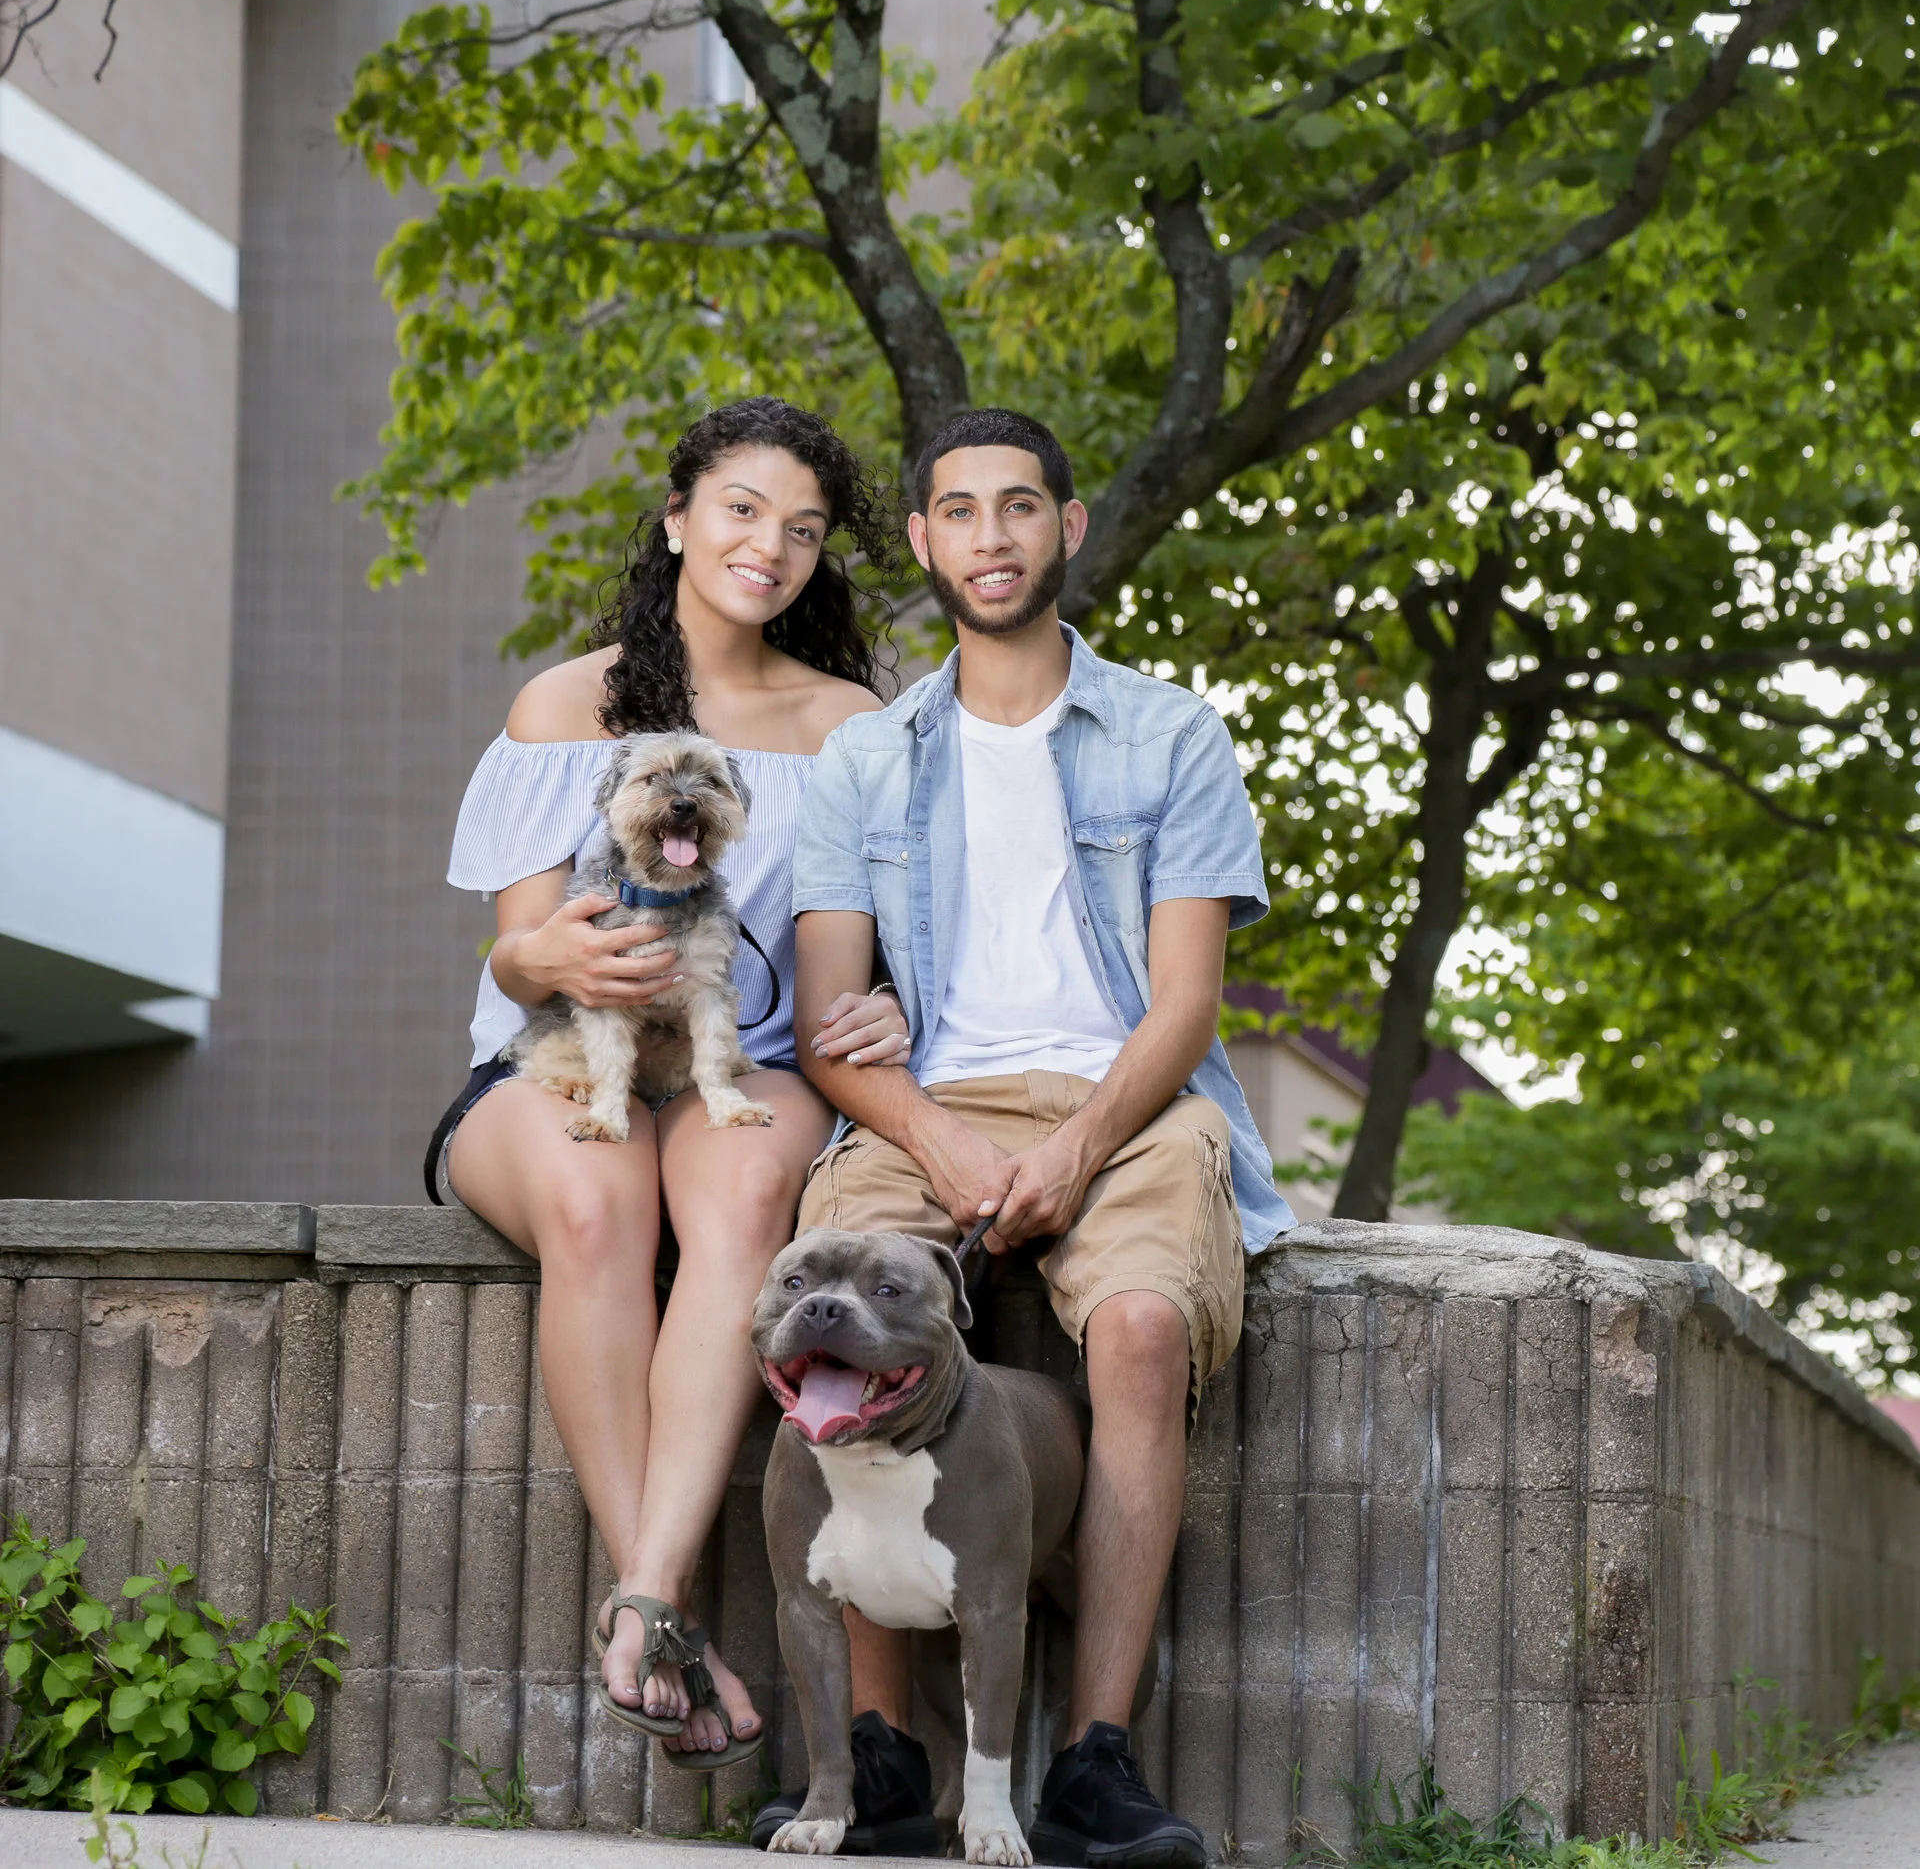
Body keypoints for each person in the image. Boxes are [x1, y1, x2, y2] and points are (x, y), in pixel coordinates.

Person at [777, 406, 1294, 1864]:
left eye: (1019, 506)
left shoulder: (1171, 734)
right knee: (837, 1320)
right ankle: (879, 1757)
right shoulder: (868, 758)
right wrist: (940, 1143)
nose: (989, 536)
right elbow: (828, 1023)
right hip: (922, 1104)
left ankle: (1093, 1762)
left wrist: (1071, 1154)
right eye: (958, 510)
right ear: (924, 540)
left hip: (1127, 1103)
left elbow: (1185, 1008)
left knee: (1138, 1329)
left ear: (1066, 526)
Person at [430, 397, 914, 1766]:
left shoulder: (849, 725)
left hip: (743, 1059)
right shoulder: (566, 705)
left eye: (805, 529)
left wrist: (884, 1007)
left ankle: (642, 1601)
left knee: (748, 1194)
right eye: (744, 510)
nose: (771, 546)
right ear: (678, 519)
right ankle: (668, 1607)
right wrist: (543, 954)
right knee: (596, 1202)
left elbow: (858, 958)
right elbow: (517, 956)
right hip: (556, 1055)